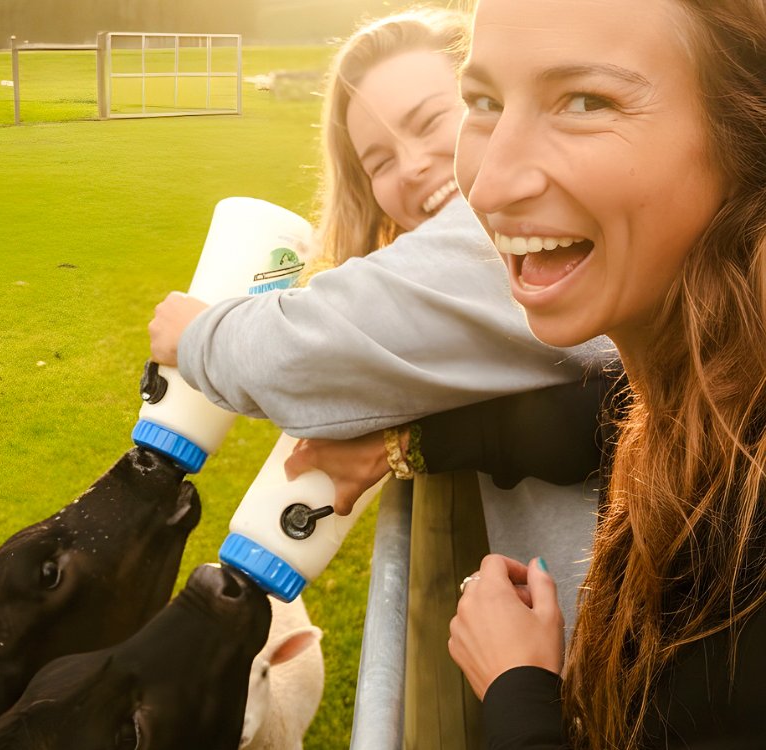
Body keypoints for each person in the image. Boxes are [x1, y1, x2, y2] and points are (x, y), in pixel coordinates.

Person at [148, 8, 612, 629]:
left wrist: (195, 335)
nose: (415, 164)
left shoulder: (507, 232)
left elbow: (303, 352)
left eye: (431, 123)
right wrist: (403, 446)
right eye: (380, 162)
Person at [447, 0, 766, 746]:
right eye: (484, 102)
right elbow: (596, 411)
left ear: (745, 138)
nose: (488, 186)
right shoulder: (704, 384)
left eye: (586, 101)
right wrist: (402, 446)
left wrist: (516, 689)